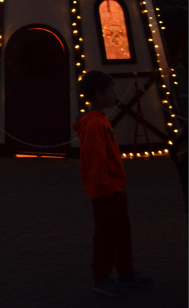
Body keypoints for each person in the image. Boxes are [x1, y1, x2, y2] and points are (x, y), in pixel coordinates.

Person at [73, 71, 153, 298]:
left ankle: (125, 272)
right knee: (106, 236)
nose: (114, 95)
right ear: (99, 95)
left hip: (114, 189)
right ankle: (102, 278)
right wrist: (106, 188)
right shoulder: (95, 124)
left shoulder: (100, 120)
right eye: (111, 91)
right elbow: (95, 162)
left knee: (121, 233)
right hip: (106, 191)